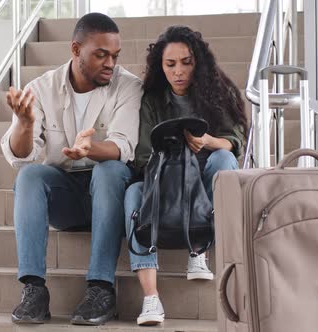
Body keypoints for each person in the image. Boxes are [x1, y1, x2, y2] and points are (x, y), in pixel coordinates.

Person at [0, 13, 142, 325]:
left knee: (111, 169)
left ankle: (101, 288)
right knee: (29, 176)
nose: (110, 64)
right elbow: (22, 157)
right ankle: (34, 290)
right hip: (64, 195)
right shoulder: (41, 88)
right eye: (101, 54)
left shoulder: (128, 86)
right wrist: (24, 124)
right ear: (76, 50)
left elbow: (123, 146)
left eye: (115, 56)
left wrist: (91, 149)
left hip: (107, 193)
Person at [124, 25, 248, 326]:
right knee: (131, 194)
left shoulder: (218, 91)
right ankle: (151, 298)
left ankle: (199, 246)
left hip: (204, 183)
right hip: (163, 180)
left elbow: (235, 141)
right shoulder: (152, 99)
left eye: (186, 62)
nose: (178, 71)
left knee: (222, 159)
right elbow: (142, 155)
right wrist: (174, 154)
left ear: (198, 63)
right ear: (161, 66)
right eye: (170, 64)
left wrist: (206, 142)